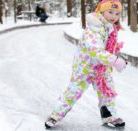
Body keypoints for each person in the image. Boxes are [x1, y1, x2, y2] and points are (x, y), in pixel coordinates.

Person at [45, 0, 127, 129]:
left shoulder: (110, 28)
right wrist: (114, 61)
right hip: (85, 68)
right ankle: (56, 115)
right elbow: (95, 50)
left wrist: (116, 53)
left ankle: (109, 117)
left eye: (117, 13)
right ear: (101, 11)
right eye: (110, 12)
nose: (114, 16)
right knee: (73, 92)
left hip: (101, 68)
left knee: (107, 92)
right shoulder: (95, 28)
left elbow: (108, 46)